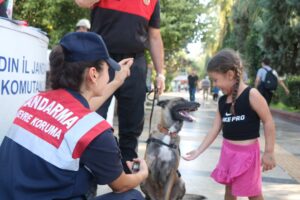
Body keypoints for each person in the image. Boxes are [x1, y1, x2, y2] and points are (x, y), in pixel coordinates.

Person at [0, 32, 149, 200]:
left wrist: (116, 82)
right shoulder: (96, 132)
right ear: (93, 74)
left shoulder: (35, 102)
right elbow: (121, 185)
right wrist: (143, 174)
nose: (110, 75)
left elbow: (75, 116)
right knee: (132, 196)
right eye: (108, 69)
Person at [75, 0, 166, 173]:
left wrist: (160, 72)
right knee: (91, 122)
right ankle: (87, 183)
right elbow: (81, 3)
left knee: (132, 128)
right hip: (102, 58)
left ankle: (128, 181)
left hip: (135, 62)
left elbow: (154, 36)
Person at [183, 49, 276, 200]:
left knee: (253, 193)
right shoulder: (222, 101)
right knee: (230, 191)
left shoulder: (251, 95)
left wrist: (269, 152)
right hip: (228, 153)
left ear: (230, 75)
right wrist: (198, 151)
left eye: (215, 79)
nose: (215, 84)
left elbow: (268, 121)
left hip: (248, 156)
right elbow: (214, 129)